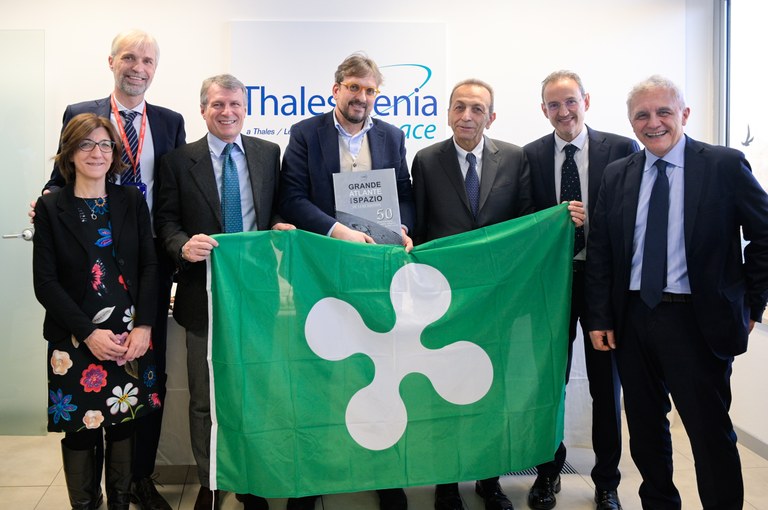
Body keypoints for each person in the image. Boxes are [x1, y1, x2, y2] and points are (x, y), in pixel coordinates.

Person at [586, 75, 768, 509]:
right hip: (633, 319)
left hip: (697, 322)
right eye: (642, 115)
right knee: (645, 430)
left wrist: (751, 303)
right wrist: (600, 316)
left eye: (664, 112)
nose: (654, 123)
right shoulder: (618, 174)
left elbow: (764, 234)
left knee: (709, 433)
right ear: (631, 122)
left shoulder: (723, 165)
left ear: (684, 114)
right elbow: (602, 251)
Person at [32, 29, 186, 510]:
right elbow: (58, 184)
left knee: (136, 405)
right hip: (80, 304)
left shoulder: (169, 124)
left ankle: (137, 482)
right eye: (129, 58)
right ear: (112, 61)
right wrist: (46, 206)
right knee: (82, 423)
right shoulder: (79, 117)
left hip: (142, 279)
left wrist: (147, 317)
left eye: (148, 60)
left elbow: (173, 195)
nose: (138, 67)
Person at [278, 53, 413, 510]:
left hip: (376, 279)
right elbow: (292, 198)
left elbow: (405, 195)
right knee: (320, 376)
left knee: (379, 373)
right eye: (354, 87)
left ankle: (385, 475)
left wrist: (402, 228)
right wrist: (339, 231)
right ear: (336, 89)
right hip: (321, 275)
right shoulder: (305, 133)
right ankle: (313, 477)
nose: (362, 97)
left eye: (370, 90)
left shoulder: (392, 136)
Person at [155, 74, 294, 510]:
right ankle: (211, 482)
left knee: (255, 394)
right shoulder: (178, 161)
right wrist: (183, 246)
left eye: (235, 104)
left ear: (245, 109)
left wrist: (279, 225)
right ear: (203, 110)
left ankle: (250, 480)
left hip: (257, 296)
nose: (227, 112)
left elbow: (275, 209)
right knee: (204, 399)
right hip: (202, 297)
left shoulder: (268, 153)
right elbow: (165, 222)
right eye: (217, 104)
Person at [412, 78, 537, 510]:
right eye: (459, 107)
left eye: (477, 109)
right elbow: (420, 230)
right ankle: (446, 483)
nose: (467, 116)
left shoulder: (516, 158)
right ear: (448, 112)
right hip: (444, 300)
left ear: (491, 116)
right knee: (444, 389)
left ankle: (489, 479)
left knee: (493, 391)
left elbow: (525, 223)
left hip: (498, 300)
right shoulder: (426, 160)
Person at [524, 70, 638, 510]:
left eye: (570, 101)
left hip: (602, 284)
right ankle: (547, 473)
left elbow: (633, 217)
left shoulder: (621, 149)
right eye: (554, 104)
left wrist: (592, 218)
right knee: (548, 384)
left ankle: (607, 481)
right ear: (543, 110)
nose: (564, 111)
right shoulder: (531, 155)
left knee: (605, 388)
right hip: (552, 283)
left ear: (586, 101)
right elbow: (525, 219)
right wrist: (552, 222)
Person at [33, 112, 159, 510]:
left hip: (127, 337)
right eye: (86, 144)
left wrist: (144, 327)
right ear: (69, 153)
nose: (97, 153)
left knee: (123, 426)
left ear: (114, 153)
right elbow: (45, 283)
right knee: (80, 430)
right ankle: (86, 505)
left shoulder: (130, 200)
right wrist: (88, 333)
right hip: (74, 339)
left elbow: (150, 265)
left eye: (105, 144)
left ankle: (119, 503)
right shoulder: (51, 207)